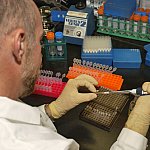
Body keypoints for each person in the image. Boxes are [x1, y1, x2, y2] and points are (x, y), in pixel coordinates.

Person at [0, 0, 150, 149]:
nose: (42, 49)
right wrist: (136, 124)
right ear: (19, 45)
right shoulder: (28, 144)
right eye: (40, 41)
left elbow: (16, 120)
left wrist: (52, 110)